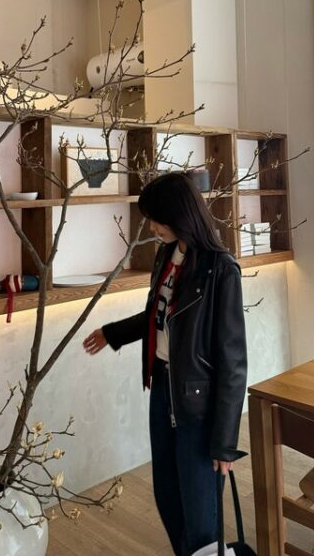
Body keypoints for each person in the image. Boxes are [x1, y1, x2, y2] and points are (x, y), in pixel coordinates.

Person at [83, 172, 247, 556]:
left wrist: (224, 444)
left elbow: (233, 362)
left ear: (181, 215)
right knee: (168, 496)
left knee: (200, 510)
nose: (153, 228)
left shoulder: (221, 269)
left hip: (198, 403)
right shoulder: (166, 256)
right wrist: (112, 333)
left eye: (158, 219)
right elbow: (157, 317)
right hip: (162, 389)